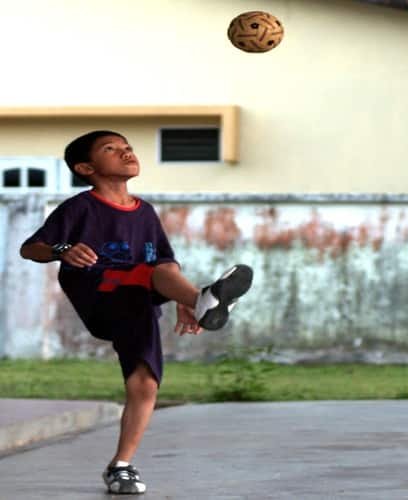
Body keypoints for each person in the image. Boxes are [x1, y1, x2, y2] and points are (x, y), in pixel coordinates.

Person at [19, 130, 253, 495]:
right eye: (111, 149)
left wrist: (182, 299)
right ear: (86, 167)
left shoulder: (144, 211)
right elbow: (30, 248)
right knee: (151, 274)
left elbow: (164, 261)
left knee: (145, 383)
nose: (126, 151)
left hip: (139, 301)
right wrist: (63, 249)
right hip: (100, 293)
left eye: (127, 146)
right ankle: (203, 300)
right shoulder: (80, 207)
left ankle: (121, 465)